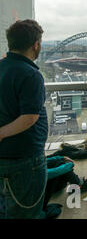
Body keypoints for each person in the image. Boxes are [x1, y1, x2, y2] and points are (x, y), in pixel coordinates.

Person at [0, 20, 48, 219]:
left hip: (5, 157)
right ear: (35, 44)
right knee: (26, 212)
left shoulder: (3, 67)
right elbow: (29, 117)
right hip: (25, 159)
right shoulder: (30, 74)